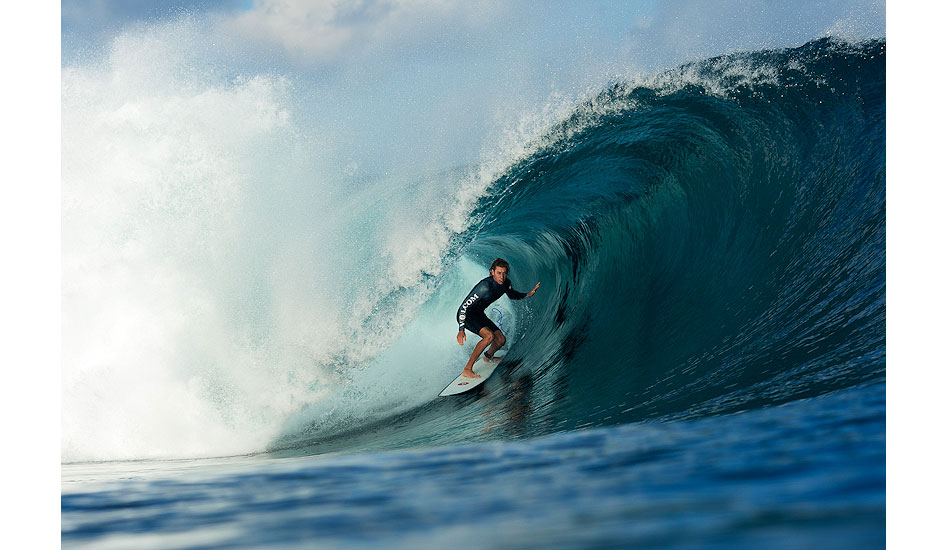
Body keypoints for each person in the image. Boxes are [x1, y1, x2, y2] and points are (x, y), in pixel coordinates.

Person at [456, 258, 540, 379]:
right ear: (492, 272)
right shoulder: (485, 287)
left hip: (478, 313)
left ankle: (488, 357)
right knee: (489, 336)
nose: (502, 276)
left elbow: (512, 295)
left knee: (501, 340)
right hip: (467, 315)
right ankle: (467, 369)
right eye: (499, 273)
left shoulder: (506, 284)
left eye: (504, 273)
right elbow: (464, 306)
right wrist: (461, 329)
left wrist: (528, 294)